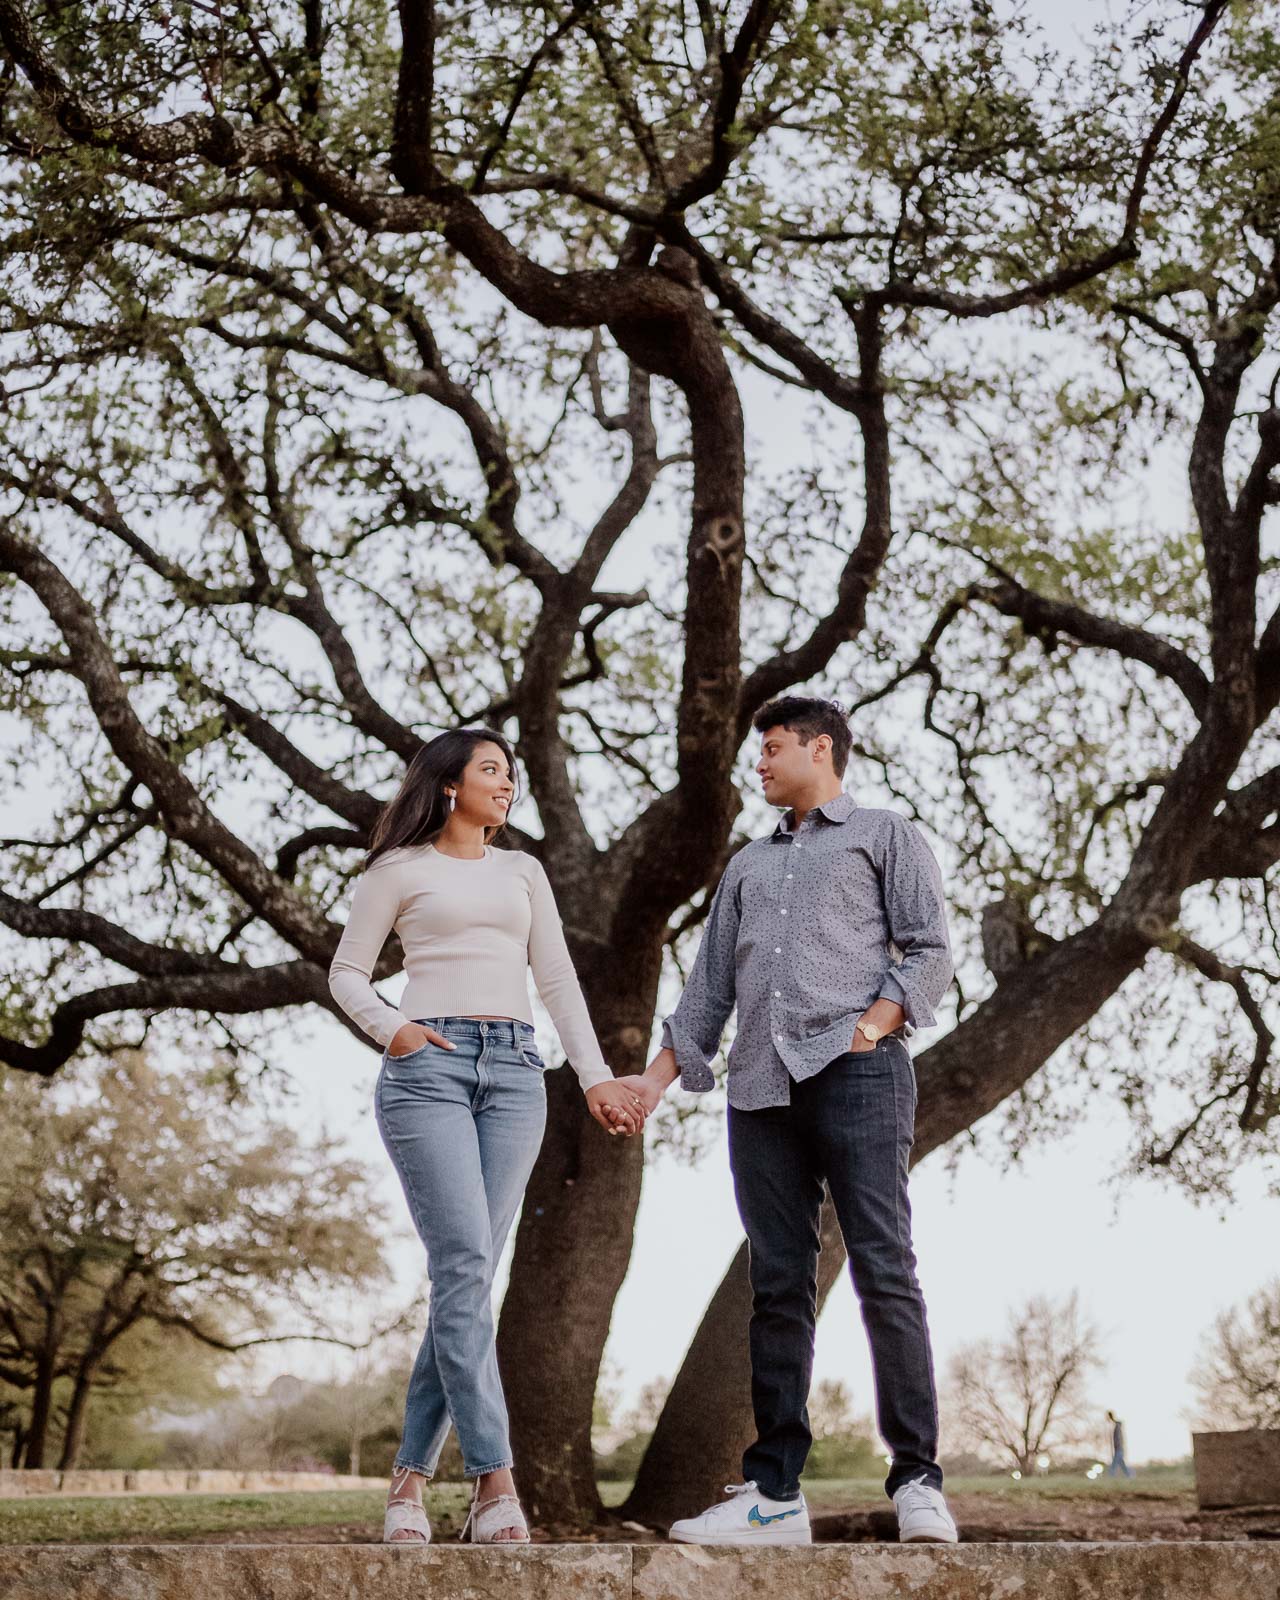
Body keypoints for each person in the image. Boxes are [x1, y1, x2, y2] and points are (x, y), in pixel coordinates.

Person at [618, 695, 959, 1545]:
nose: (759, 763)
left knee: (884, 1266)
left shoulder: (885, 834)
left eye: (772, 748)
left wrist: (876, 1024)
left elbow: (931, 948)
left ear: (821, 749)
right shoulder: (745, 867)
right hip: (759, 1093)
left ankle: (917, 1479)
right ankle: (773, 1494)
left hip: (861, 1076)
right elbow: (706, 995)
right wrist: (655, 1083)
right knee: (777, 1288)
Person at [328, 727, 645, 1545]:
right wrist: (390, 1028)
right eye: (492, 771)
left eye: (510, 773)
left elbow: (558, 980)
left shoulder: (522, 871)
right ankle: (495, 1484)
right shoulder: (397, 870)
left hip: (514, 1074)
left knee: (464, 1277)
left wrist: (595, 1075)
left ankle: (406, 1485)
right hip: (426, 1070)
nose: (507, 784)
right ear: (447, 785)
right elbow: (347, 973)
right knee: (466, 1267)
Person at [1106, 1411, 1135, 1479]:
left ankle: (1111, 1477)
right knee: (1122, 1465)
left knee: (1114, 1464)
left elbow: (1118, 1440)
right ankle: (1130, 1475)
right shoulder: (1116, 1427)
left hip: (1119, 1449)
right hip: (1118, 1449)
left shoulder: (1117, 1427)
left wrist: (1118, 1447)